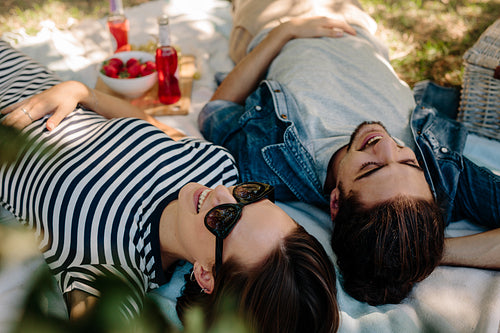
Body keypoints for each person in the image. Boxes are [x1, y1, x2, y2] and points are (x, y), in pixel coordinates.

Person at [0, 40, 340, 333]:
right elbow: (153, 127)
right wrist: (83, 93)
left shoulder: (111, 267)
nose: (221, 191)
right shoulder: (217, 166)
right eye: (250, 196)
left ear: (206, 276)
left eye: (225, 219)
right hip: (23, 70)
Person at [198, 0, 500, 305]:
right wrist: (425, 248)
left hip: (273, 18)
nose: (385, 142)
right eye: (410, 161)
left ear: (336, 203)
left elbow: (215, 111)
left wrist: (285, 32)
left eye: (370, 168)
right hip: (351, 20)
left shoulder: (270, 161)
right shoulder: (444, 175)